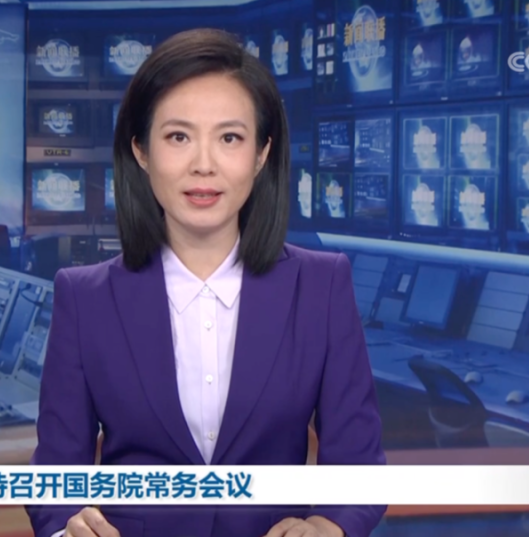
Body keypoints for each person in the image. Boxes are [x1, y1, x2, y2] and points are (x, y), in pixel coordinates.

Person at [26, 28, 386, 537]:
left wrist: (329, 525)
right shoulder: (84, 298)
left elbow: (358, 462)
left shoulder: (321, 286)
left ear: (261, 154)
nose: (203, 164)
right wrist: (67, 529)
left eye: (229, 138)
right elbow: (55, 475)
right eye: (178, 137)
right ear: (141, 150)